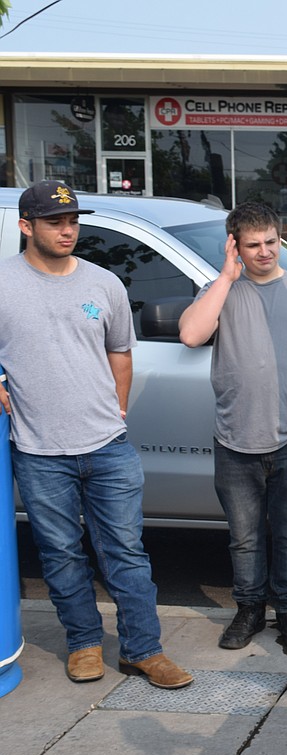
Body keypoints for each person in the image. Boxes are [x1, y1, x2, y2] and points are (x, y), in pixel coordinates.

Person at [0, 181, 192, 689]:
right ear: (26, 227)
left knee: (126, 552)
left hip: (108, 446)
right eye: (55, 222)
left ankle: (143, 651)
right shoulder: (2, 284)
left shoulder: (104, 283)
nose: (68, 230)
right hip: (39, 450)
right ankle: (84, 644)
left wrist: (118, 409)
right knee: (62, 554)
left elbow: (120, 353)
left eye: (72, 221)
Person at [178, 201, 287, 651]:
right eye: (253, 245)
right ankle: (249, 611)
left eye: (271, 241)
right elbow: (191, 334)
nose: (265, 251)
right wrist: (226, 278)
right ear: (235, 247)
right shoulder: (222, 291)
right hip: (235, 441)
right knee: (244, 540)